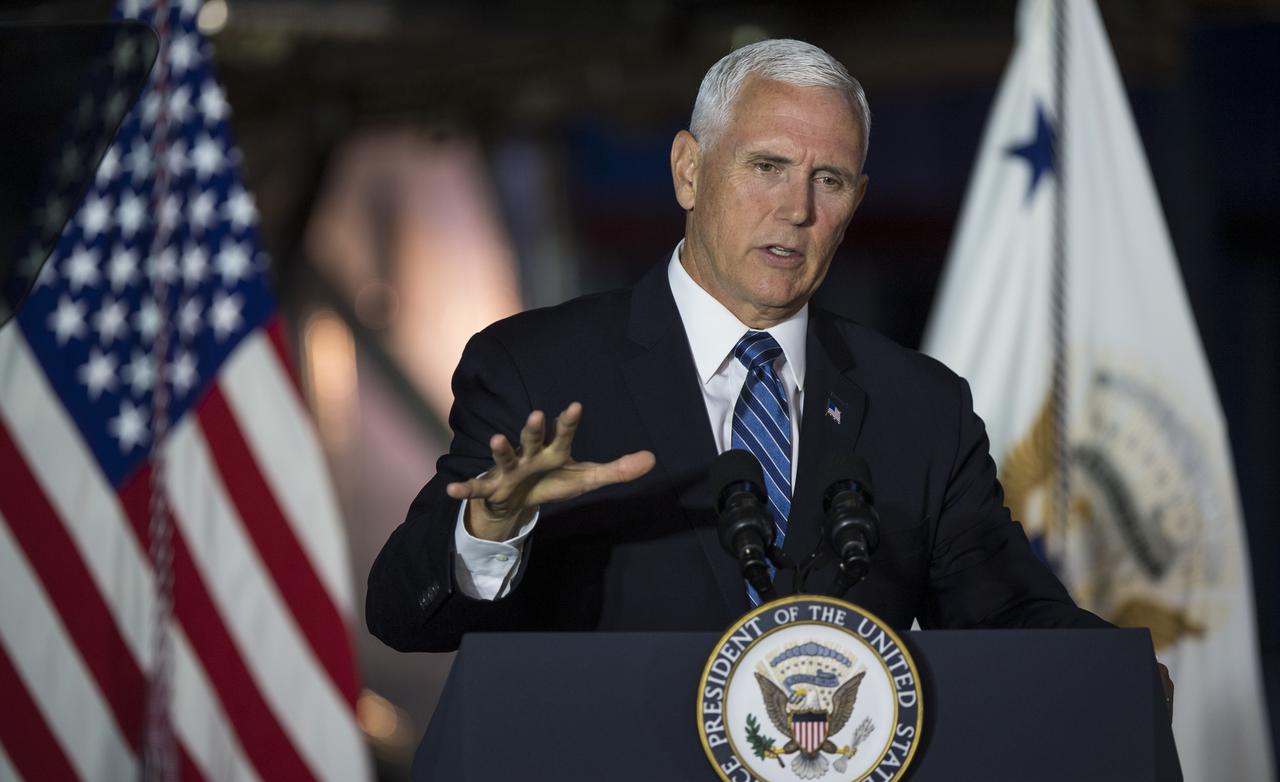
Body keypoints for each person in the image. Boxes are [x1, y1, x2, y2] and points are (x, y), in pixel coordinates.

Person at [365, 38, 1115, 657]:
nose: (798, 209)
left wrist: (1112, 669)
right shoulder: (540, 368)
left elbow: (1010, 613)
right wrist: (489, 531)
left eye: (831, 179)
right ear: (689, 170)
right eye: (768, 168)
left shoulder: (919, 408)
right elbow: (404, 615)